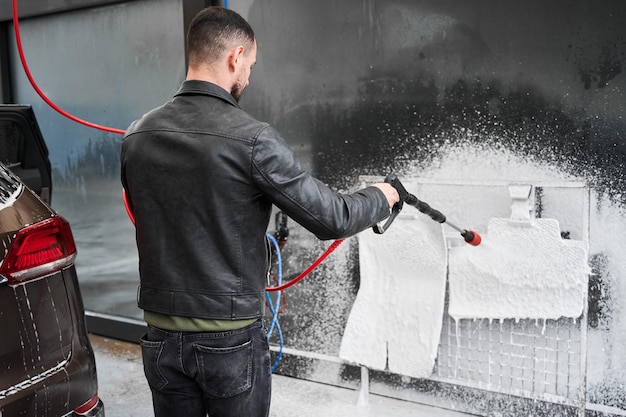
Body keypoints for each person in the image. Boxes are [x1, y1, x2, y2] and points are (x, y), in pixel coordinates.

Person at [120, 6, 399, 417]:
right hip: (227, 341)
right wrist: (382, 195)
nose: (248, 76)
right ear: (234, 56)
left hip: (160, 337)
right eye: (249, 64)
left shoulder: (136, 136)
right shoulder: (252, 140)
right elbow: (332, 218)